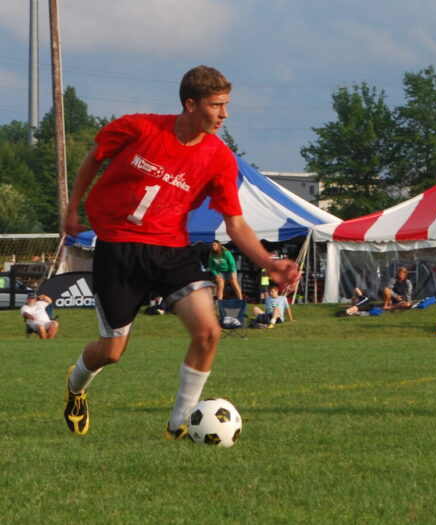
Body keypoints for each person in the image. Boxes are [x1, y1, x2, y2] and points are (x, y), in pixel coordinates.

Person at [61, 65, 299, 438]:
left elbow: (235, 224)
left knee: (208, 333)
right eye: (217, 105)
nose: (224, 114)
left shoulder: (219, 157)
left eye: (226, 105)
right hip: (119, 248)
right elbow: (95, 157)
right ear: (191, 104)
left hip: (171, 250)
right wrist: (72, 207)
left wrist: (269, 262)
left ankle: (178, 426)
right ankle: (76, 387)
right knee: (111, 353)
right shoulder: (139, 128)